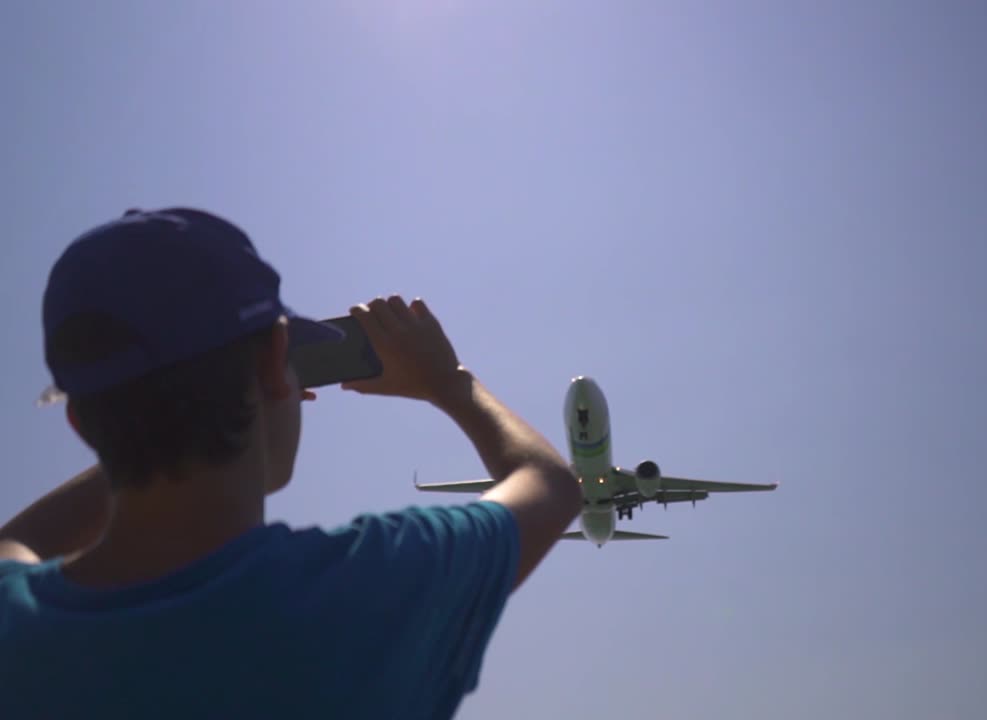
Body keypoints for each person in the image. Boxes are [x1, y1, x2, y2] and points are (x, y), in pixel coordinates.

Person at [0, 208, 582, 719]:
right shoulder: (372, 588)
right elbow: (550, 484)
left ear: (79, 421)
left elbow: (17, 539)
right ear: (280, 361)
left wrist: (140, 426)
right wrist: (449, 383)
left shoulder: (16, 625)